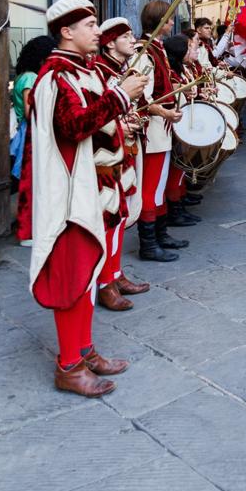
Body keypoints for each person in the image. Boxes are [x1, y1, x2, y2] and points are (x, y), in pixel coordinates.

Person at [27, 0, 147, 397]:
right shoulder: (56, 77)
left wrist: (120, 120)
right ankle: (69, 366)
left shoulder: (84, 71)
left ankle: (83, 350)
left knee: (88, 274)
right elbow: (71, 127)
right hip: (71, 196)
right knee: (73, 279)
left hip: (96, 187)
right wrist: (120, 98)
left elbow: (95, 124)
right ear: (67, 31)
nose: (99, 31)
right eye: (91, 24)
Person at [95, 17, 151, 310]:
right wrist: (119, 124)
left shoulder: (119, 70)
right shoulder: (99, 72)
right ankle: (104, 283)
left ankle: (115, 273)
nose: (132, 40)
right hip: (104, 156)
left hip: (123, 151)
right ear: (110, 42)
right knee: (108, 218)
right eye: (125, 36)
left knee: (120, 214)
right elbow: (95, 114)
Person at [136, 1, 186, 262]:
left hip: (162, 127)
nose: (171, 24)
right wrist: (166, 112)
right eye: (168, 20)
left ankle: (160, 234)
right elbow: (140, 98)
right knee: (151, 187)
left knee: (160, 184)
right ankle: (148, 244)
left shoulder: (157, 49)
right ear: (159, 22)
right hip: (153, 128)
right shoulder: (144, 52)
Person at [13, 35, 56, 245]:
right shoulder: (31, 78)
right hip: (31, 131)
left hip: (26, 129)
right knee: (32, 180)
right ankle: (27, 231)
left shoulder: (23, 75)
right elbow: (32, 111)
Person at [163, 34, 202, 228]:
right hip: (173, 123)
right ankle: (174, 210)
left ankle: (179, 204)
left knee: (179, 169)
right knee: (174, 169)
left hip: (181, 121)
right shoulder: (171, 71)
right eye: (188, 47)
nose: (192, 50)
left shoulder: (181, 69)